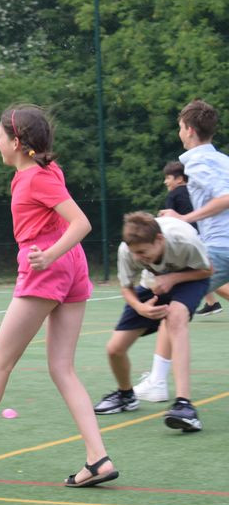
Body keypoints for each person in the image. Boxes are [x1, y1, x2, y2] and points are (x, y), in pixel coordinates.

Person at [0, 96, 117, 488]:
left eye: (3, 137)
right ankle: (98, 460)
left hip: (47, 267)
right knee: (62, 368)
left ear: (17, 144)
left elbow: (81, 224)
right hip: (73, 267)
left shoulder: (36, 178)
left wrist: (47, 255)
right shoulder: (44, 166)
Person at [92, 213, 210, 431]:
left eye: (143, 253)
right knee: (114, 349)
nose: (139, 258)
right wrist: (140, 307)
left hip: (190, 277)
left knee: (176, 317)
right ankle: (126, 395)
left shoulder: (184, 240)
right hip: (152, 284)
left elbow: (207, 270)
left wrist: (173, 278)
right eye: (135, 253)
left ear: (159, 240)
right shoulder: (127, 250)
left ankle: (185, 405)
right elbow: (126, 288)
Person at [156, 99, 229, 429]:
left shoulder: (199, 163)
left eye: (180, 127)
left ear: (190, 129)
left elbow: (225, 196)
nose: (179, 132)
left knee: (175, 310)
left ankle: (179, 400)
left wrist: (184, 217)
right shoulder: (220, 159)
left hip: (219, 247)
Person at [162, 160, 229, 316]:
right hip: (205, 238)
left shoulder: (173, 195)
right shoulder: (194, 192)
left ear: (179, 179)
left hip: (193, 243)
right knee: (203, 274)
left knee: (201, 277)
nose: (165, 181)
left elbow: (170, 223)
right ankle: (212, 303)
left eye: (168, 178)